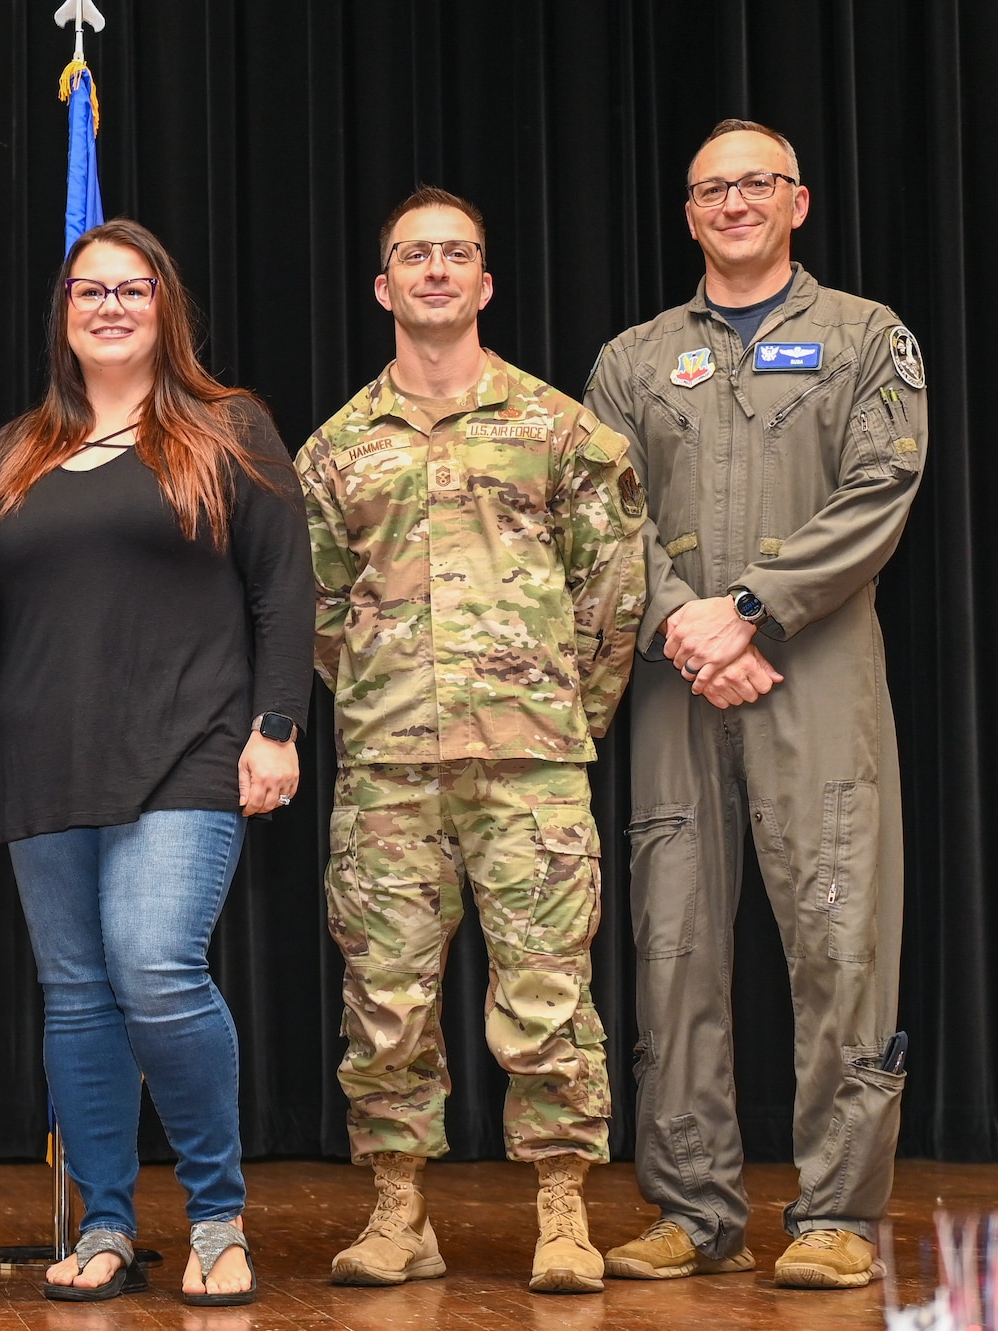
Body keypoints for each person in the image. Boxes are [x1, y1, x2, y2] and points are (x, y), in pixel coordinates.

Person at [0, 218, 308, 1308]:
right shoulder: (15, 449)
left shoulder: (225, 427)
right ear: (62, 314)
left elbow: (283, 587)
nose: (108, 305)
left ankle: (215, 1215)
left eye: (131, 289)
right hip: (37, 755)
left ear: (165, 309)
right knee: (77, 995)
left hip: (189, 742)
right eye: (86, 289)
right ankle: (104, 1221)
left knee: (153, 966)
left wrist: (275, 725)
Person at [586, 119, 925, 1291]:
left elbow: (881, 488)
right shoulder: (632, 359)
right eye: (709, 189)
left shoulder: (864, 337)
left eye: (754, 184)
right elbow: (604, 517)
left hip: (815, 670)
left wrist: (751, 607)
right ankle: (691, 1206)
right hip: (676, 673)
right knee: (671, 942)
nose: (732, 202)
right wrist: (687, 619)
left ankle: (832, 1210)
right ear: (686, 215)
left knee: (837, 935)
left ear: (798, 202)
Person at [300, 187, 647, 1295]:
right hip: (388, 768)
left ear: (485, 282)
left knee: (545, 991)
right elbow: (315, 609)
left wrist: (553, 712)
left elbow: (613, 594)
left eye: (456, 255)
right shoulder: (335, 451)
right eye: (414, 255)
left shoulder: (561, 430)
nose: (436, 271)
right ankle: (399, 1210)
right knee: (385, 997)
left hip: (530, 762)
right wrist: (385, 702)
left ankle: (560, 1207)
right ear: (383, 284)